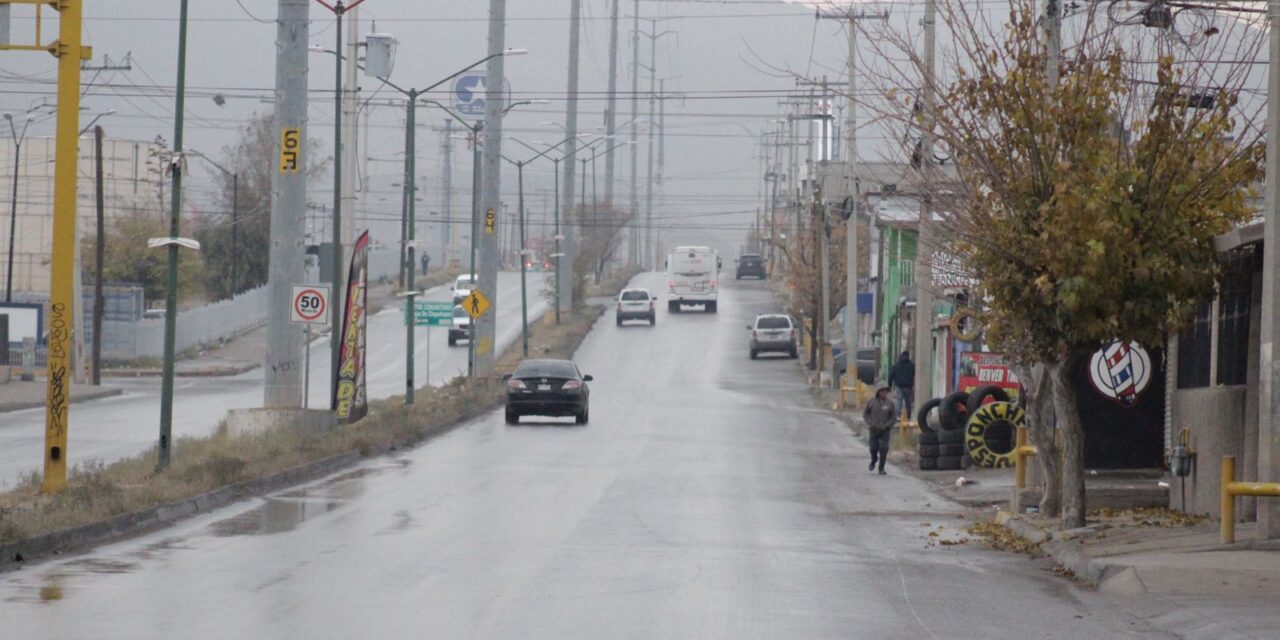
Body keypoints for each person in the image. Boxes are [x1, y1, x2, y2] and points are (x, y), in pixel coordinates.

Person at [863, 386, 897, 475]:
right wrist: (871, 423)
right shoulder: (871, 402)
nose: (884, 393)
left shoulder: (890, 403)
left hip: (885, 430)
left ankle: (881, 468)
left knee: (884, 449)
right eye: (882, 391)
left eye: (885, 391)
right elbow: (866, 414)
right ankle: (873, 460)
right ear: (878, 392)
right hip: (874, 429)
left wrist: (887, 425)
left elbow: (893, 418)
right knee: (873, 448)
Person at [889, 350, 915, 421]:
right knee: (908, 403)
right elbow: (914, 375)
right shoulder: (912, 365)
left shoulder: (896, 365)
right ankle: (908, 417)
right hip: (908, 387)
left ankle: (898, 416)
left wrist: (890, 385)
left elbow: (891, 375)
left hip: (898, 386)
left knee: (899, 402)